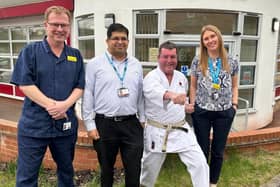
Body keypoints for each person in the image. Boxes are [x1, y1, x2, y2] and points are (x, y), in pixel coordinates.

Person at [10, 6, 85, 187]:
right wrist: (52, 105)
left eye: (64, 25)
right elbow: (25, 84)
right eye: (55, 24)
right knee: (27, 177)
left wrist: (64, 105)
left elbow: (80, 86)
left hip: (65, 127)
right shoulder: (30, 52)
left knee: (66, 172)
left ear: (69, 27)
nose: (60, 29)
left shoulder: (75, 55)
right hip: (34, 128)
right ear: (46, 25)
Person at [82, 23, 145, 187]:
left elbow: (140, 94)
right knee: (107, 170)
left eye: (123, 38)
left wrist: (142, 118)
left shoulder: (136, 64)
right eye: (115, 38)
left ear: (128, 41)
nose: (120, 42)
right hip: (104, 124)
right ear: (107, 41)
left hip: (131, 124)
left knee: (134, 169)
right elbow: (88, 93)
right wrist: (89, 124)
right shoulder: (95, 64)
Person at [140, 41, 209, 187]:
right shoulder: (151, 78)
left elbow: (180, 103)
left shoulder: (181, 78)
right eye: (165, 57)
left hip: (181, 129)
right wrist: (171, 95)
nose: (169, 61)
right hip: (157, 131)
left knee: (200, 164)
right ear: (158, 58)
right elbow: (156, 93)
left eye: (173, 57)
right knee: (148, 171)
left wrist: (186, 107)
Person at [187, 25, 239, 187]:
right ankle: (201, 182)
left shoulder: (232, 61)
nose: (210, 41)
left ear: (219, 37)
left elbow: (235, 86)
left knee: (218, 151)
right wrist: (193, 105)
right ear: (203, 42)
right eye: (206, 38)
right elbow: (193, 86)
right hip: (202, 111)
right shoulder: (198, 60)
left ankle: (212, 183)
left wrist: (234, 105)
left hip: (224, 112)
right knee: (202, 149)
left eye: (212, 36)